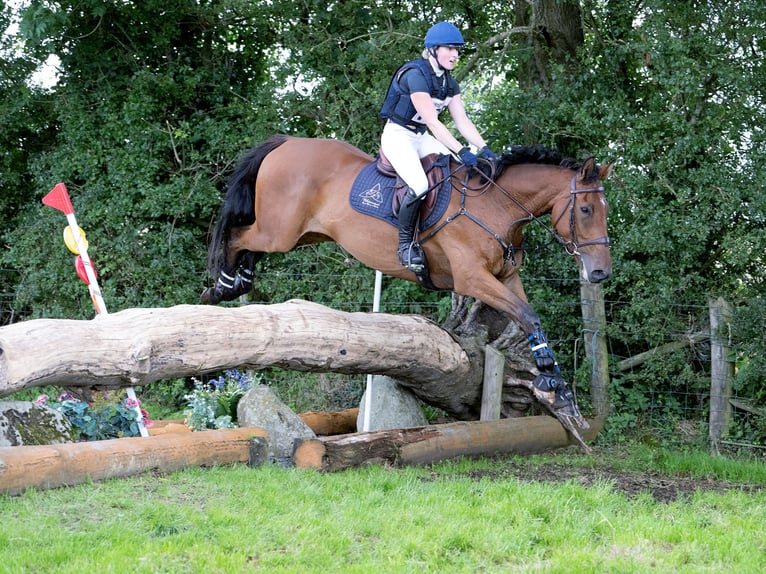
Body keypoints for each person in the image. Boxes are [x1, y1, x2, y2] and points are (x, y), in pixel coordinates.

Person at [379, 21, 497, 272]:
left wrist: (484, 147)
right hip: (398, 135)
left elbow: (462, 120)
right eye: (450, 49)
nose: (455, 55)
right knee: (420, 184)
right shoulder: (416, 75)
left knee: (454, 170)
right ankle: (405, 247)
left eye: (457, 50)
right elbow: (432, 120)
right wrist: (462, 150)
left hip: (420, 136)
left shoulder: (449, 83)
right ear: (433, 50)